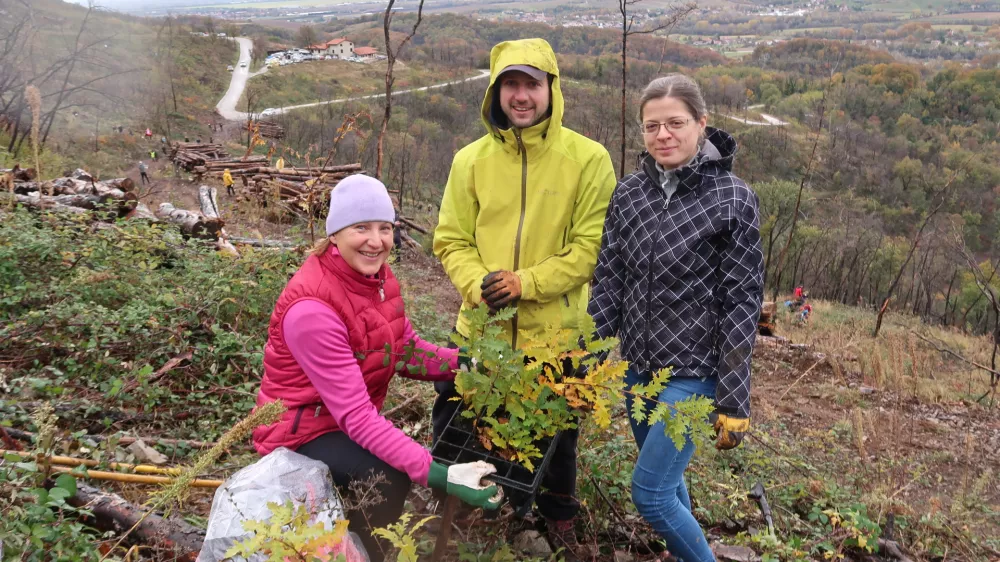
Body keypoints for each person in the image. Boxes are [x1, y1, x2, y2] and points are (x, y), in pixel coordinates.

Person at [252, 175, 501, 562]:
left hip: (332, 420)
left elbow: (401, 350)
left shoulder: (376, 278)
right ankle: (358, 553)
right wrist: (438, 473)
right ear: (335, 234)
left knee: (389, 468)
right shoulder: (312, 310)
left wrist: (466, 365)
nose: (376, 240)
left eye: (385, 228)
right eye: (361, 228)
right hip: (299, 431)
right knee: (387, 478)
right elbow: (356, 416)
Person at [432, 38, 615, 558]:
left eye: (531, 84)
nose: (521, 95)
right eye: (510, 84)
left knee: (557, 443)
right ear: (495, 91)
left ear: (551, 89)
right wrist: (478, 283)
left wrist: (524, 283)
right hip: (480, 333)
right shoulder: (470, 161)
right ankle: (463, 512)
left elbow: (591, 249)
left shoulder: (588, 159)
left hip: (555, 337)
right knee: (458, 426)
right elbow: (451, 239)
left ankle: (555, 520)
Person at [588, 74, 764, 562]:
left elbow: (742, 299)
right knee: (668, 481)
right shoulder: (629, 194)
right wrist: (587, 354)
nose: (662, 135)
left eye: (675, 123)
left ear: (702, 125)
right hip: (640, 368)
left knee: (649, 494)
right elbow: (610, 279)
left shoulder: (732, 198)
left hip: (697, 373)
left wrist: (734, 393)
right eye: (651, 126)